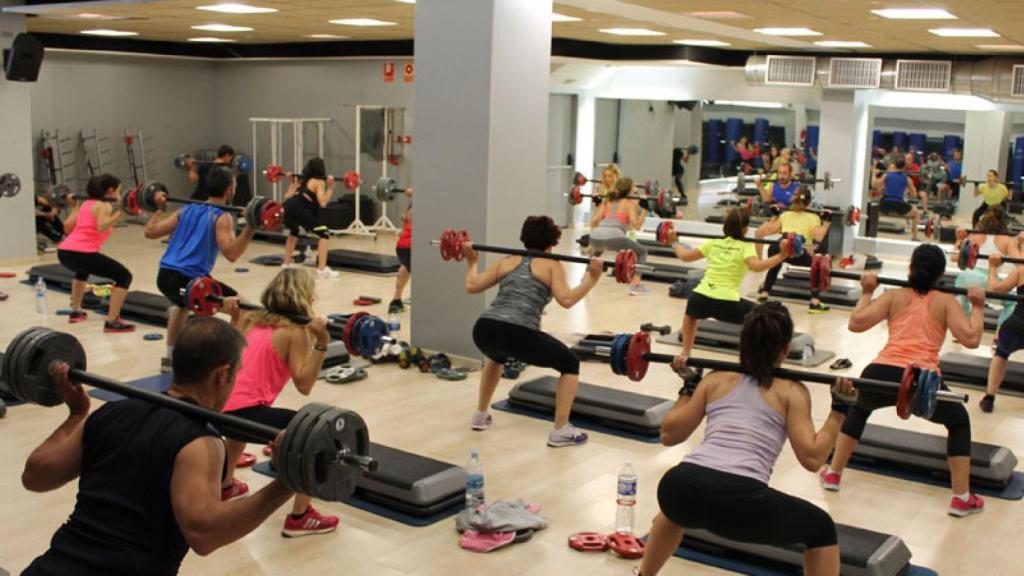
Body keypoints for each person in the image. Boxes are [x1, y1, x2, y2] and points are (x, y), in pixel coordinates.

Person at [21, 317, 295, 575]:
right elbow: (204, 534)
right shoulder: (200, 444)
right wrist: (286, 483)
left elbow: (35, 476)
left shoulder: (112, 413)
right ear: (222, 375)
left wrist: (77, 414)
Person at [638, 302, 856, 576]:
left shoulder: (716, 380)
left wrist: (689, 387)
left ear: (742, 342)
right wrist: (839, 411)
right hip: (741, 502)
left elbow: (669, 434)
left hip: (680, 487)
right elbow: (813, 458)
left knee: (673, 513)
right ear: (786, 348)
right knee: (821, 528)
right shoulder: (792, 391)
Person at [823, 244, 987, 517]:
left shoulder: (893, 296)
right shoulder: (946, 301)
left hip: (881, 371)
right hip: (920, 380)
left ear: (910, 268)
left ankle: (833, 474)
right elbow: (971, 339)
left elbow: (856, 323)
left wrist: (866, 292)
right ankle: (961, 498)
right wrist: (978, 307)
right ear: (942, 274)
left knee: (859, 408)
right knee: (959, 421)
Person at [217, 269, 339, 536]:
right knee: (315, 433)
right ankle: (301, 516)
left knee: (245, 414)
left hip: (217, 410)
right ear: (305, 297)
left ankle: (225, 486)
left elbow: (227, 350)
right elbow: (304, 385)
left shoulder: (249, 318)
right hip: (244, 415)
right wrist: (322, 343)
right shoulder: (295, 332)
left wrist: (233, 315)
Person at [465, 215, 602, 447]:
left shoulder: (507, 260)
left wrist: (471, 263)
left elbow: (472, 286)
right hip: (519, 332)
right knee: (570, 363)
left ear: (524, 238)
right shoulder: (552, 265)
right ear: (553, 243)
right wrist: (593, 277)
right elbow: (566, 300)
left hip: (484, 328)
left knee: (496, 357)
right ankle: (561, 430)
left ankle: (480, 414)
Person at [146, 166, 256, 373]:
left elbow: (150, 232)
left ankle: (170, 360)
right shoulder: (222, 216)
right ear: (229, 191)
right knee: (244, 310)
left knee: (180, 306)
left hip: (166, 278)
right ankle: (227, 362)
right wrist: (250, 227)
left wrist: (158, 208)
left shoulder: (187, 209)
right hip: (188, 281)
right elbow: (231, 254)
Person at [665, 208, 792, 362]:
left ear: (725, 226)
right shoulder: (745, 247)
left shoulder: (714, 243)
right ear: (745, 229)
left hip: (700, 297)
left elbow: (684, 256)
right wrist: (782, 255)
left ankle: (685, 353)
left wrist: (674, 241)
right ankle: (751, 358)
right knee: (760, 318)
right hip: (727, 303)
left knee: (691, 313)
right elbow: (757, 267)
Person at [56, 174, 135, 333]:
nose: (119, 195)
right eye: (118, 191)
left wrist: (74, 206)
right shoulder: (103, 205)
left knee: (82, 272)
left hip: (64, 251)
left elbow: (67, 228)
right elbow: (102, 226)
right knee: (124, 276)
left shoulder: (86, 204)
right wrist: (121, 211)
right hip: (81, 252)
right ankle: (112, 321)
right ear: (110, 191)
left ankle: (76, 311)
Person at [756, 187, 832, 313]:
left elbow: (767, 231)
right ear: (808, 203)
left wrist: (774, 216)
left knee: (775, 264)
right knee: (817, 265)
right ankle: (815, 302)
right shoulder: (813, 217)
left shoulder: (785, 215)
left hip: (777, 247)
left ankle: (764, 294)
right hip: (796, 251)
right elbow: (819, 237)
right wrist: (827, 222)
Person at [953, 206, 1018, 331]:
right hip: (988, 281)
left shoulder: (973, 236)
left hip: (966, 278)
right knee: (1013, 302)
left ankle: (964, 329)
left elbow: (956, 258)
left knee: (963, 298)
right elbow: (1020, 264)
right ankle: (999, 334)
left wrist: (959, 240)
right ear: (1005, 222)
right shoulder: (1007, 240)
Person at [589, 177, 650, 296]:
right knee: (642, 251)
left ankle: (584, 280)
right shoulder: (629, 203)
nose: (636, 188)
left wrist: (598, 205)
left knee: (596, 253)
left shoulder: (607, 200)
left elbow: (595, 220)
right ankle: (636, 286)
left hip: (595, 236)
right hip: (614, 237)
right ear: (629, 189)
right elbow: (636, 225)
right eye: (634, 187)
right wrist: (645, 210)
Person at [281, 158, 339, 279]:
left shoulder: (302, 180)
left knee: (294, 231)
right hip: (298, 209)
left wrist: (292, 183)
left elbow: (287, 197)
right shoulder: (319, 182)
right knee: (324, 233)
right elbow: (322, 203)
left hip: (286, 208)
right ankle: (321, 270)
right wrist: (331, 188)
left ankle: (285, 265)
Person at [981, 251, 1024, 412]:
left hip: (1014, 329)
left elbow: (994, 289)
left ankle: (989, 398)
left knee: (1001, 353)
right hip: (1016, 327)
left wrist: (993, 267)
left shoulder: (1021, 270)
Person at [873, 159, 926, 241]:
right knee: (916, 214)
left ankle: (871, 232)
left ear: (895, 165)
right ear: (904, 167)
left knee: (872, 209)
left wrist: (874, 173)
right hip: (899, 205)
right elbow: (914, 195)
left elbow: (875, 185)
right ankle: (915, 237)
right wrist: (907, 189)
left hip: (885, 204)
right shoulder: (907, 179)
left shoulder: (887, 175)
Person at [390, 187, 414, 314]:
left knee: (405, 267)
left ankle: (396, 301)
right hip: (413, 247)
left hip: (401, 247)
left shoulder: (408, 211)